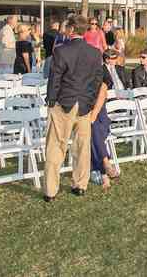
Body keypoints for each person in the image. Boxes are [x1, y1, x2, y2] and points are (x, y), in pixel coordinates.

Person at [44, 15, 104, 201]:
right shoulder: (95, 53)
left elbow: (55, 79)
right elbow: (97, 80)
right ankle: (80, 184)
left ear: (71, 29)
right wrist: (90, 100)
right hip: (84, 104)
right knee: (82, 146)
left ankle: (51, 190)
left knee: (56, 146)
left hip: (64, 103)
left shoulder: (61, 51)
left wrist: (51, 100)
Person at [89, 49, 123, 191]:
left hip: (101, 114)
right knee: (95, 131)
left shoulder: (100, 79)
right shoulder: (90, 77)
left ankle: (102, 172)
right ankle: (105, 165)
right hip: (91, 116)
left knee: (94, 131)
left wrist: (94, 114)